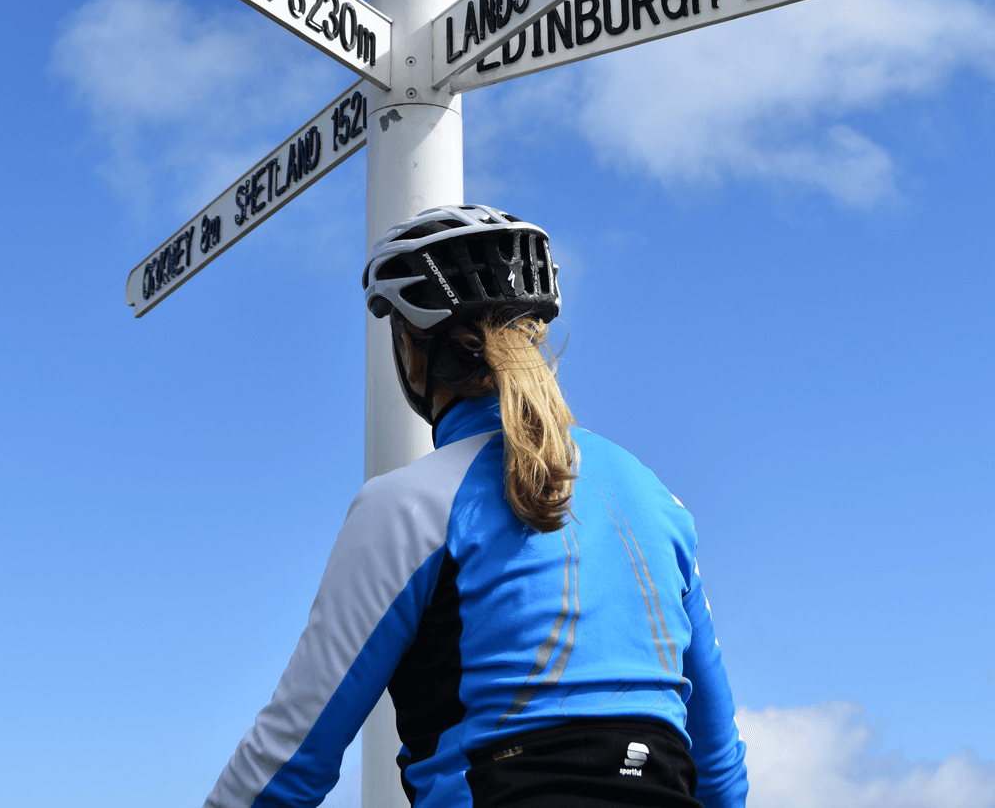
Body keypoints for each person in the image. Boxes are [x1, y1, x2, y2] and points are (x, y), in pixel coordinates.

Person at [203, 204, 748, 808]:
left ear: (413, 351)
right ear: (534, 337)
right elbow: (718, 758)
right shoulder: (656, 495)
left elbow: (289, 759)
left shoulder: (407, 505)